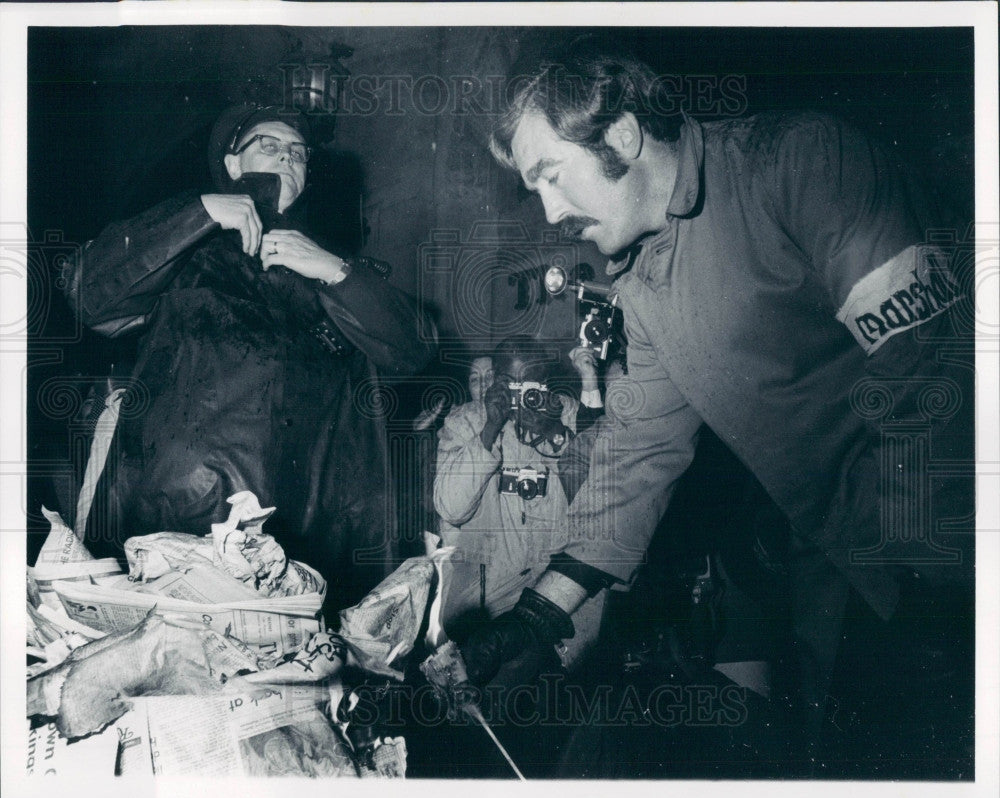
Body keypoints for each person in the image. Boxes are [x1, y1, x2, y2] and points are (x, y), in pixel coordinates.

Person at [462, 41, 974, 753]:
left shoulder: (800, 162)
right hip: (839, 565)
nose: (548, 213)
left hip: (948, 560)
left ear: (622, 136)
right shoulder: (639, 285)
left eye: (550, 176)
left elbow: (929, 376)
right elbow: (637, 458)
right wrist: (538, 618)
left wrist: (944, 587)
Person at [61, 103, 436, 609]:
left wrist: (334, 269)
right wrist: (201, 212)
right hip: (182, 515)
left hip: (307, 530)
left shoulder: (329, 264)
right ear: (233, 165)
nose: (288, 158)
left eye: (299, 154)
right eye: (270, 146)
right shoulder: (190, 249)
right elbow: (88, 292)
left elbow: (413, 349)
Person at [434, 336, 604, 682]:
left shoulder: (569, 415)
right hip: (485, 601)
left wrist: (560, 440)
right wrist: (489, 431)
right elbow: (451, 508)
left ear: (546, 382)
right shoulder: (465, 421)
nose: (522, 393)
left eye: (532, 383)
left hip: (558, 595)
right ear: (495, 380)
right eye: (510, 384)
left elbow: (599, 511)